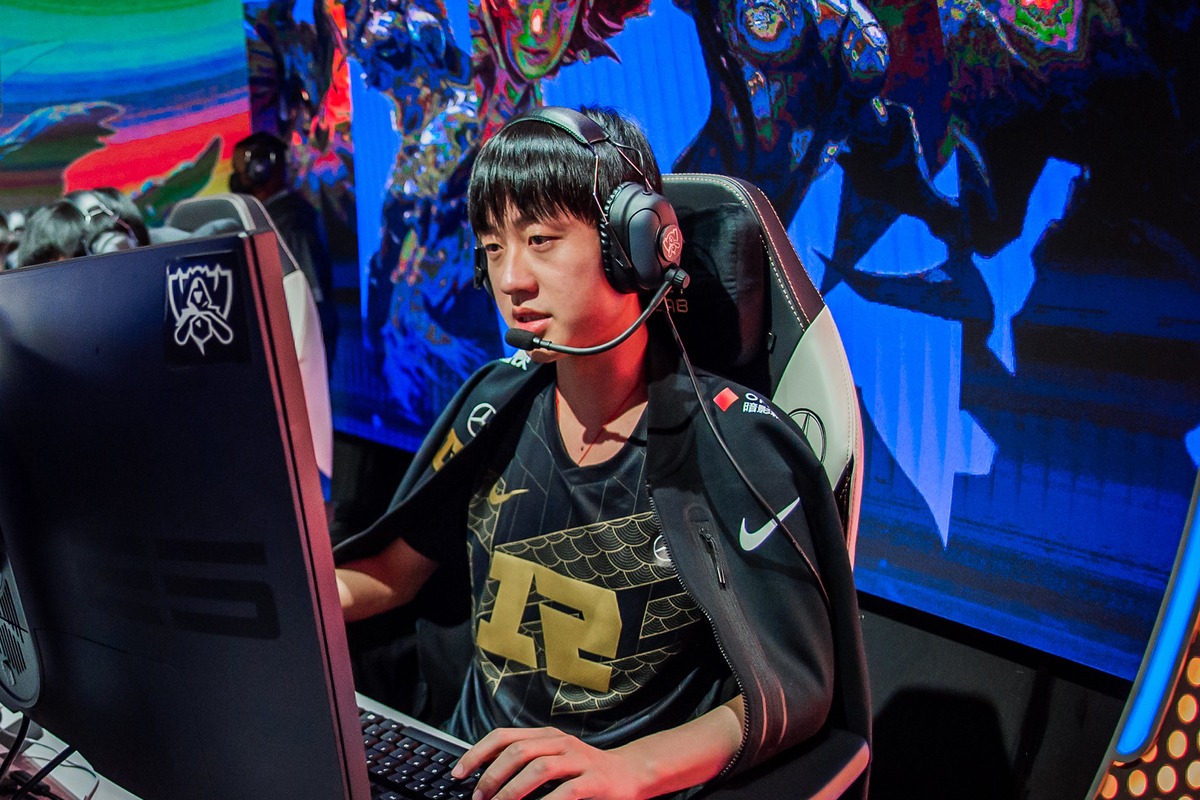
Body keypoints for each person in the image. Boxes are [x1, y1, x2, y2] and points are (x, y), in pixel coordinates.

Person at [334, 106, 858, 799]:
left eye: (541, 240)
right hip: (459, 770)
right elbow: (394, 574)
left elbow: (794, 690)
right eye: (493, 248)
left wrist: (629, 770)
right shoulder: (495, 403)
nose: (511, 279)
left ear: (634, 247)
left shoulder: (733, 445)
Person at [231, 131, 339, 363]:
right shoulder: (269, 217)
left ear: (260, 168)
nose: (237, 177)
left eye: (241, 168)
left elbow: (309, 299)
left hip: (299, 351)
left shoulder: (292, 221)